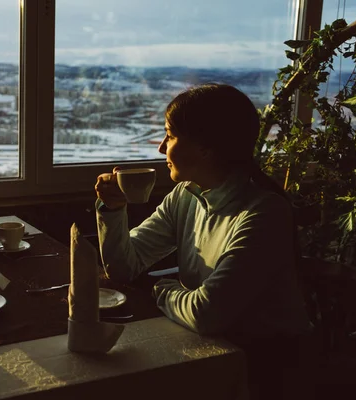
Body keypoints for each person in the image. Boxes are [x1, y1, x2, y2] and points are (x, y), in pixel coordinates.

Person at [94, 83, 315, 399]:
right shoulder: (187, 195)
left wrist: (160, 288)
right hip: (208, 348)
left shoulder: (265, 213)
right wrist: (113, 210)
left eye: (169, 135)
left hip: (267, 369)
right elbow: (122, 267)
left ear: (206, 148)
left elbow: (205, 313)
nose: (160, 147)